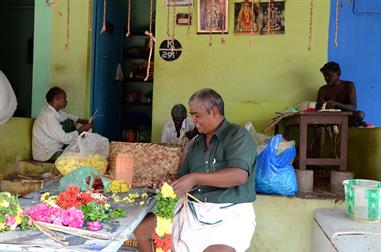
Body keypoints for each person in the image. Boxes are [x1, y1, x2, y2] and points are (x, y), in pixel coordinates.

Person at [135, 88, 257, 252]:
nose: (193, 120)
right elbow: (184, 177)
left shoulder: (237, 135)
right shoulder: (196, 143)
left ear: (213, 111)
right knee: (143, 230)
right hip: (192, 210)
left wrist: (194, 178)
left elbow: (239, 175)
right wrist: (170, 184)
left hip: (229, 212)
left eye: (196, 115)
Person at [32, 87, 93, 162]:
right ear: (56, 98)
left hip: (55, 148)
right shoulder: (48, 116)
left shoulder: (55, 112)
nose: (66, 101)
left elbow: (67, 116)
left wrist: (81, 121)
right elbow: (64, 139)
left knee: (69, 122)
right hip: (47, 153)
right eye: (64, 98)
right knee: (79, 158)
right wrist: (82, 129)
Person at [316, 61, 365, 127]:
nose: (326, 78)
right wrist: (324, 105)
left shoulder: (349, 85)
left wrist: (336, 104)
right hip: (329, 118)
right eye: (324, 76)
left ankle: (347, 124)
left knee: (360, 114)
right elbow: (317, 108)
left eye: (329, 75)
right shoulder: (323, 89)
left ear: (338, 73)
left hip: (346, 118)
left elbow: (353, 108)